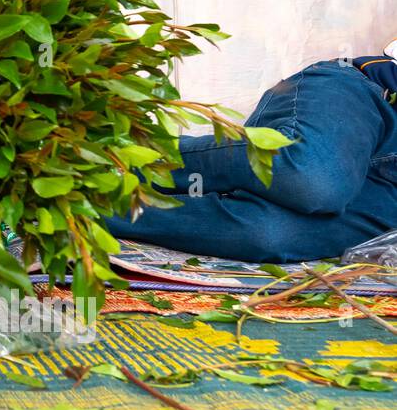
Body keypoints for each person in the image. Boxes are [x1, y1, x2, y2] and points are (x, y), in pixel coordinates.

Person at [106, 52, 397, 262]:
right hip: (367, 102)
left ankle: (93, 205)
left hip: (389, 204)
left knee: (267, 233)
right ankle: (114, 156)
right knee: (311, 176)